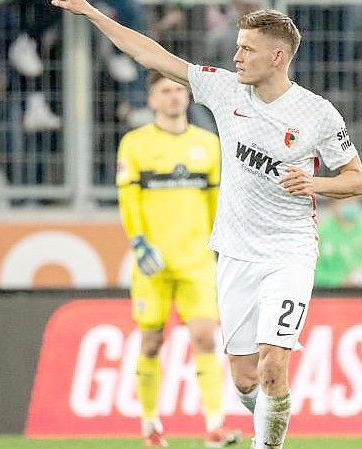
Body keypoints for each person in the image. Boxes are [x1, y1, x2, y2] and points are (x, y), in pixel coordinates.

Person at [51, 1, 362, 448]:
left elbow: (357, 179)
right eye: (237, 47)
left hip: (289, 252)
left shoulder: (317, 114)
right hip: (236, 253)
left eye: (246, 49)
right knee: (244, 379)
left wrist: (314, 182)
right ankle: (271, 423)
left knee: (273, 365)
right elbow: (150, 54)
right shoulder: (225, 90)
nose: (235, 56)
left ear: (277, 57)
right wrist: (94, 15)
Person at [116, 70, 240, 448]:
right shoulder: (135, 144)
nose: (173, 97)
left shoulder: (208, 144)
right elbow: (129, 198)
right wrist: (138, 241)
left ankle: (215, 426)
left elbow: (216, 201)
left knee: (205, 337)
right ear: (152, 99)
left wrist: (221, 246)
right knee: (151, 342)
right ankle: (151, 426)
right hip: (152, 262)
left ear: (187, 98)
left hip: (196, 260)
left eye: (178, 91)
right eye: (164, 91)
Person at [314, 199, 362, 288]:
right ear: (333, 204)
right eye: (345, 201)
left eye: (352, 200)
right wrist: (340, 281)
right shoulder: (322, 232)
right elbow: (315, 272)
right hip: (331, 294)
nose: (350, 205)